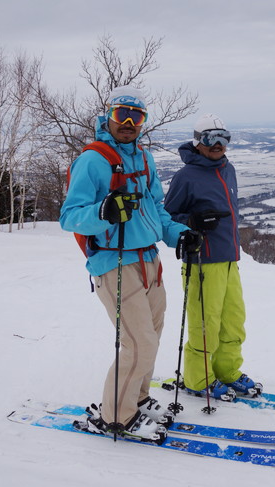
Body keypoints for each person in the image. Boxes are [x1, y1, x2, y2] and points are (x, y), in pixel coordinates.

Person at [60, 86, 201, 442]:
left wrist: (179, 234)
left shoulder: (144, 158)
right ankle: (116, 416)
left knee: (151, 336)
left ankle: (136, 398)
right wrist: (104, 212)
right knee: (139, 343)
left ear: (143, 122)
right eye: (122, 114)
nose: (128, 122)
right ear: (108, 115)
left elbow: (156, 208)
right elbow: (70, 216)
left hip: (149, 260)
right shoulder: (93, 160)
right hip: (114, 263)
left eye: (136, 117)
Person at [164, 114, 261, 400]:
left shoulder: (226, 168)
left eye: (224, 138)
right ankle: (198, 379)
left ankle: (227, 371)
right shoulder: (186, 176)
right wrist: (192, 221)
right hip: (202, 261)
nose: (219, 145)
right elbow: (167, 218)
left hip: (230, 259)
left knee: (233, 321)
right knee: (205, 324)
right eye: (211, 139)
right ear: (198, 142)